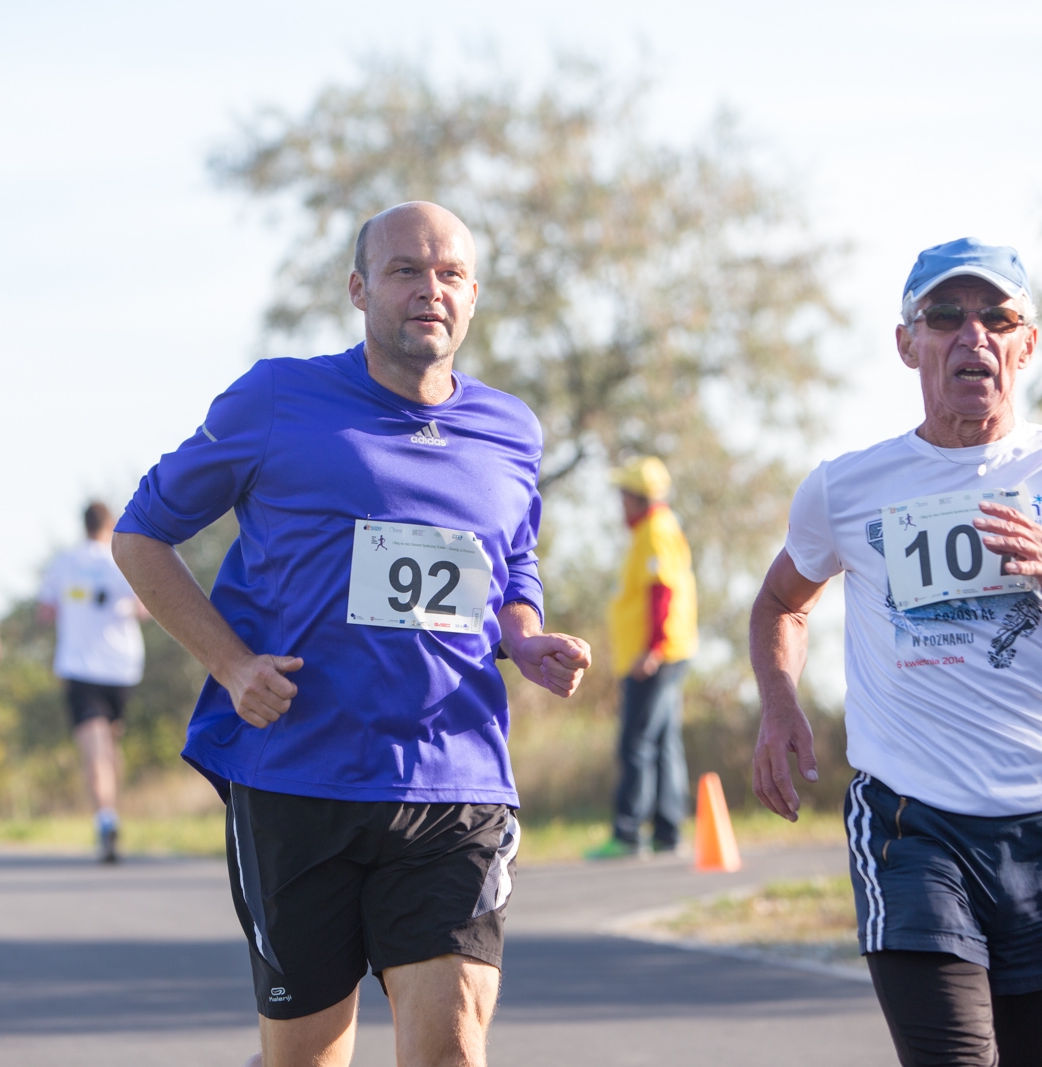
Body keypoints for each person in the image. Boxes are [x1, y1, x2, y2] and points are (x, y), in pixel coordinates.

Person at [113, 201, 592, 1067]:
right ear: (359, 288)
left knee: (450, 1048)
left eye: (449, 273)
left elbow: (512, 560)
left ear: (474, 296)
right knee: (307, 1059)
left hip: (455, 774)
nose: (429, 290)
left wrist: (521, 635)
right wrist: (229, 664)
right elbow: (141, 534)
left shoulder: (510, 430)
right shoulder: (277, 398)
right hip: (298, 771)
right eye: (406, 270)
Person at [750, 238, 1042, 1067]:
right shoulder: (846, 487)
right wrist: (778, 700)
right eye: (944, 315)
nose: (970, 333)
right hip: (913, 824)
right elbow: (778, 602)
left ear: (1027, 343)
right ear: (908, 342)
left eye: (997, 316)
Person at [587, 456, 698, 860]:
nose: (619, 504)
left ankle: (628, 832)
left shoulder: (655, 531)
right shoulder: (653, 531)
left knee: (636, 742)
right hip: (666, 652)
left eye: (623, 495)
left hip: (655, 656)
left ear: (636, 498)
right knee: (662, 741)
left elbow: (661, 592)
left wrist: (650, 650)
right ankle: (667, 831)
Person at [37, 500, 148, 863]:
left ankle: (105, 816)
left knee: (94, 748)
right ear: (110, 522)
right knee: (110, 742)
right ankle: (111, 811)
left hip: (80, 667)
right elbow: (146, 607)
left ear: (82, 524)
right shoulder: (122, 558)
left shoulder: (64, 562)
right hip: (122, 667)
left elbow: (46, 611)